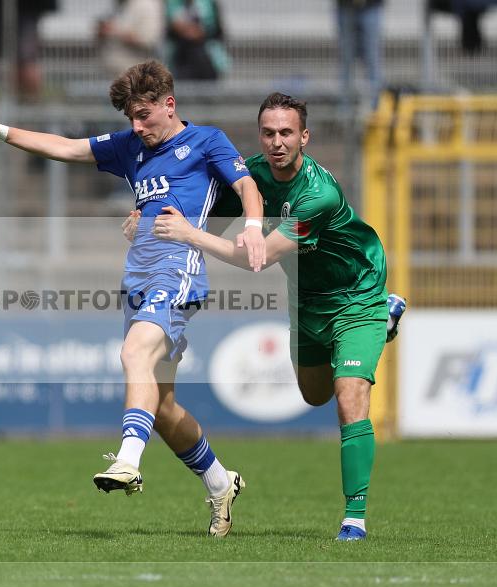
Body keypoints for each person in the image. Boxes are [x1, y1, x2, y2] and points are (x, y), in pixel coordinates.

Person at [0, 60, 266, 537]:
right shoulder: (130, 147)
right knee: (162, 408)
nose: (137, 127)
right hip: (136, 278)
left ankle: (127, 461)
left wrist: (256, 228)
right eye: (130, 119)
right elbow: (65, 147)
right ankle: (221, 483)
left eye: (144, 115)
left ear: (169, 104)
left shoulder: (207, 141)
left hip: (179, 270)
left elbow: (247, 186)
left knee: (133, 352)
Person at [148, 92, 407, 541]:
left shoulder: (318, 195)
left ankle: (354, 518)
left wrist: (188, 235)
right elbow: (203, 213)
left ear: (304, 136)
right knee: (314, 394)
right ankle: (386, 323)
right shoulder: (253, 177)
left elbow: (259, 257)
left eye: (287, 132)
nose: (277, 141)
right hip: (306, 300)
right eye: (268, 133)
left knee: (350, 399)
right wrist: (149, 218)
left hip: (358, 292)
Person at [0, 0, 57, 100]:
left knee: (26, 61)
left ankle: (30, 101)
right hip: (4, 12)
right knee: (10, 61)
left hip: (26, 12)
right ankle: (16, 100)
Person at [336, 0, 385, 113]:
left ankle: (376, 109)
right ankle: (344, 110)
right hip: (345, 6)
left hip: (371, 5)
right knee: (346, 61)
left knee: (372, 61)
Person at [97, 0, 165, 78]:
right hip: (118, 75)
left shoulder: (147, 4)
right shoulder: (124, 3)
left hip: (136, 76)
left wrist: (115, 31)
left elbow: (148, 40)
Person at [165, 0, 229, 81]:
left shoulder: (208, 3)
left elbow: (215, 29)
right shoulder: (173, 3)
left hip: (205, 56)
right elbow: (172, 26)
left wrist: (199, 32)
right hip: (180, 56)